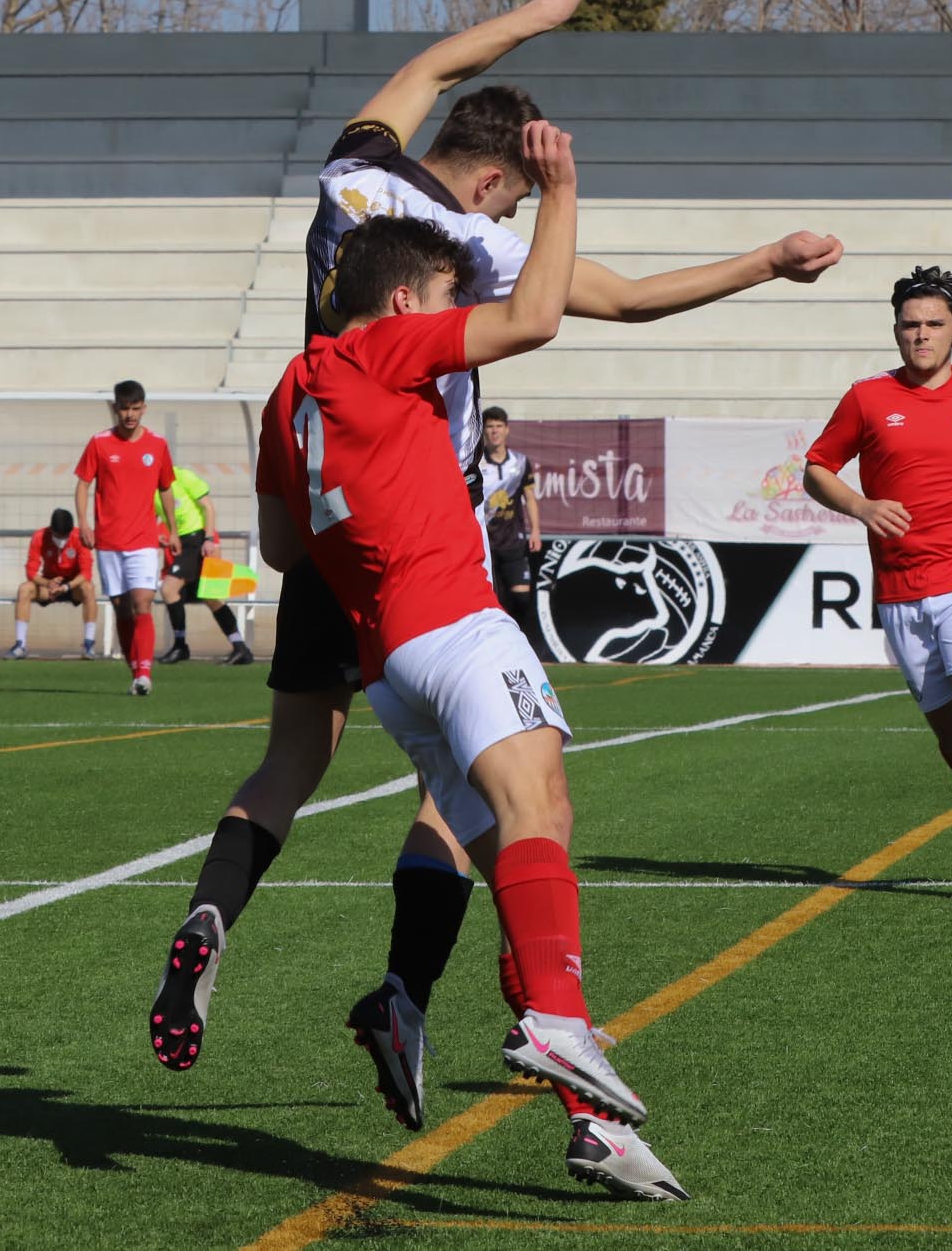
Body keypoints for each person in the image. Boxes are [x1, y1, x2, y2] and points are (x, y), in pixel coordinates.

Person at [149, 0, 837, 1199]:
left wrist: (529, 18)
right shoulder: (449, 282)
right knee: (530, 813)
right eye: (510, 199)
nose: (506, 232)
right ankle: (494, 1013)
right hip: (439, 578)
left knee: (340, 780)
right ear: (489, 183)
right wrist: (764, 259)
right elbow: (597, 304)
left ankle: (556, 1091)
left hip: (347, 571)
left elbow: (420, 77)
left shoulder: (343, 199)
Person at [257, 129, 670, 1171]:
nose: (455, 323)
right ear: (404, 304)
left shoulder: (290, 389)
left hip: (392, 660)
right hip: (454, 617)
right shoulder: (383, 347)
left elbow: (278, 544)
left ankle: (597, 1126)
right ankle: (557, 1032)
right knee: (547, 813)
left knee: (512, 863)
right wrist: (567, 185)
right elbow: (534, 316)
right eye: (446, 301)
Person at [802, 266, 952, 901]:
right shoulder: (866, 398)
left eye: (934, 324)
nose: (921, 336)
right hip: (902, 592)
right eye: (910, 325)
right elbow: (817, 468)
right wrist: (860, 506)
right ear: (896, 330)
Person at [74, 381, 179, 696]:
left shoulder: (157, 445)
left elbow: (166, 488)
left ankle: (145, 672)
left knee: (142, 601)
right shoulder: (99, 443)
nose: (130, 415)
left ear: (144, 408)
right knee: (121, 607)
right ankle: (135, 670)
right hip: (108, 540)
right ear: (115, 408)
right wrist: (84, 524)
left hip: (144, 539)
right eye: (124, 408)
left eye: (136, 408)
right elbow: (82, 485)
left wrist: (172, 529)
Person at [154, 465, 254, 666]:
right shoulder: (151, 487)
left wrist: (209, 539)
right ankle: (240, 647)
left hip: (196, 540)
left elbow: (208, 507)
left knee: (169, 589)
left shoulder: (183, 477)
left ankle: (180, 646)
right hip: (181, 543)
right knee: (210, 596)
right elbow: (155, 519)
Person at [478, 407, 545, 650]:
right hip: (484, 543)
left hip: (513, 540)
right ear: (483, 431)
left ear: (506, 430)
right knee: (494, 600)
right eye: (490, 427)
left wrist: (535, 530)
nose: (494, 432)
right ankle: (497, 648)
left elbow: (530, 497)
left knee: (522, 596)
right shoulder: (476, 463)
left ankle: (521, 645)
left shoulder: (519, 462)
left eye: (498, 426)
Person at [6, 508, 98, 660]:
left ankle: (88, 645)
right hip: (48, 585)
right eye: (57, 536)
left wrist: (67, 586)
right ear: (51, 529)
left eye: (65, 537)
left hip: (72, 586)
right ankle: (20, 645)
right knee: (24, 589)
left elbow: (86, 573)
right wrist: (48, 583)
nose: (61, 540)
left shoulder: (79, 537)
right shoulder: (39, 537)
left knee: (88, 587)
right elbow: (31, 571)